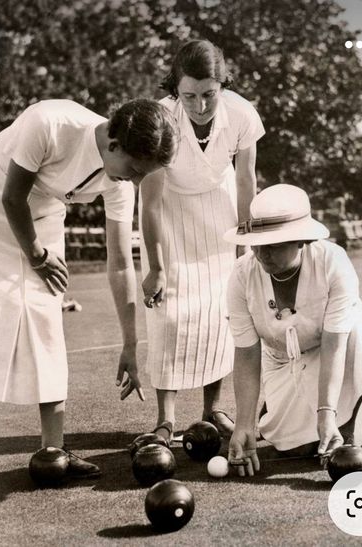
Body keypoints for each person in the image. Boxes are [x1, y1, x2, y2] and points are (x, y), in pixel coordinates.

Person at [0, 98, 177, 486]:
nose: (134, 181)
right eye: (133, 170)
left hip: (43, 212)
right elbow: (11, 197)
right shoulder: (50, 122)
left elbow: (119, 263)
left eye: (142, 175)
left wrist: (130, 344)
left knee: (47, 320)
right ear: (114, 143)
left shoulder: (120, 183)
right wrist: (36, 254)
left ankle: (53, 449)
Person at [140, 40, 265, 442]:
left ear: (223, 86)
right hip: (171, 212)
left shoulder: (243, 114)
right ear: (176, 89)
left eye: (209, 95)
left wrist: (247, 244)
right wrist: (157, 268)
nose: (199, 106)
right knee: (169, 315)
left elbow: (246, 179)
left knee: (220, 312)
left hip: (221, 211)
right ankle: (165, 420)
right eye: (189, 95)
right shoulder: (161, 117)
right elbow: (151, 201)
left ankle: (212, 410)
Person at [224, 184, 362, 476]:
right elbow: (247, 355)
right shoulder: (241, 275)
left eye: (273, 244)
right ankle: (275, 412)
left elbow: (334, 344)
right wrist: (244, 425)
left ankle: (349, 428)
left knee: (361, 330)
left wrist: (327, 414)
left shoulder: (332, 262)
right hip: (283, 360)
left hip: (341, 349)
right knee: (293, 449)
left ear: (302, 240)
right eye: (256, 243)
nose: (262, 254)